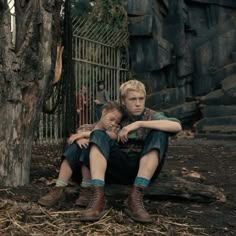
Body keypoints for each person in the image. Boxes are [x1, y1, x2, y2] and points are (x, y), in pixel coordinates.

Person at [79, 79, 182, 223]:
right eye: (133, 99)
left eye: (141, 99)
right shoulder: (118, 116)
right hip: (117, 167)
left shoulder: (151, 115)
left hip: (143, 168)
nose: (138, 103)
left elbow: (176, 126)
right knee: (98, 134)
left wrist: (138, 124)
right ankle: (98, 197)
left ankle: (135, 197)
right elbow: (94, 130)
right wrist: (80, 136)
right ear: (123, 100)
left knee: (160, 132)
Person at [38, 101, 124, 207]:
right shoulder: (86, 127)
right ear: (104, 112)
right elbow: (72, 139)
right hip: (78, 170)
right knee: (77, 145)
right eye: (112, 119)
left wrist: (82, 135)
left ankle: (87, 188)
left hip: (100, 173)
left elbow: (113, 136)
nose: (113, 123)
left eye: (117, 122)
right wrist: (78, 140)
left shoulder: (115, 130)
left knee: (88, 144)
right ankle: (59, 187)